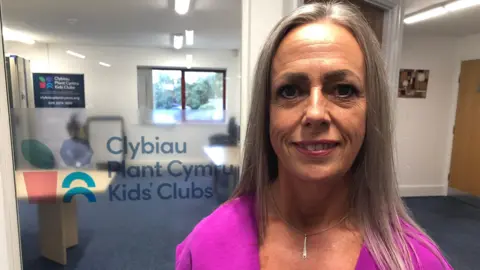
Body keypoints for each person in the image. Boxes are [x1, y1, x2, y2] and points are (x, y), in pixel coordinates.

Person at [176, 2, 453, 269]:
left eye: (343, 90)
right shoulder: (205, 246)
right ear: (266, 113)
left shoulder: (419, 261)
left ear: (371, 112)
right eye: (290, 91)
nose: (316, 113)